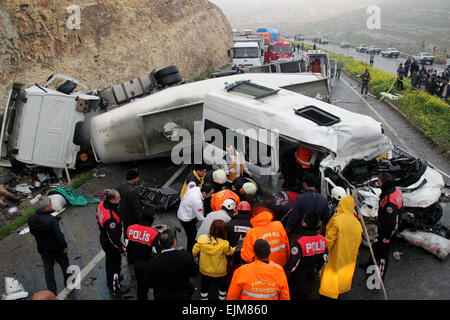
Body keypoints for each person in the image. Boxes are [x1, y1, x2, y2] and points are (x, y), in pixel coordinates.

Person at [360, 173, 403, 281]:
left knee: (383, 256)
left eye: (379, 182)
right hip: (383, 227)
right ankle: (370, 265)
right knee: (375, 247)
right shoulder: (395, 191)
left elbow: (393, 222)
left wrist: (387, 237)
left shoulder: (389, 203)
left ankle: (379, 277)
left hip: (387, 231)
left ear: (384, 184)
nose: (378, 183)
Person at [319, 196, 362, 300]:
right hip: (348, 258)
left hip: (335, 257)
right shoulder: (357, 223)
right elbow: (358, 242)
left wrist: (321, 253)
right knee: (340, 280)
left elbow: (328, 241)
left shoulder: (337, 220)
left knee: (329, 283)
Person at [28, 196, 70, 295]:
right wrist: (64, 246)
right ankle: (68, 281)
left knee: (48, 271)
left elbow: (32, 231)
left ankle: (51, 291)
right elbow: (59, 236)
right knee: (65, 265)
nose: (52, 205)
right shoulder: (51, 221)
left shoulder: (32, 218)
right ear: (46, 207)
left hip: (43, 249)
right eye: (50, 204)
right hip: (56, 249)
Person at [284, 212, 328, 300]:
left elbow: (292, 264)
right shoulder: (323, 240)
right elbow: (324, 260)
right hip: (312, 277)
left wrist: (285, 271)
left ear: (304, 223)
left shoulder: (300, 242)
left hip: (298, 279)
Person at [148, 228, 199, 300]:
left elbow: (151, 282)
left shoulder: (154, 261)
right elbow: (194, 273)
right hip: (183, 294)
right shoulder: (185, 256)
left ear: (160, 244)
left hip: (163, 296)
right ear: (174, 242)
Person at [193, 220, 236, 300]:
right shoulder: (224, 244)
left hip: (204, 270)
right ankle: (221, 298)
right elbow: (230, 252)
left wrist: (196, 259)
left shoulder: (201, 239)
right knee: (223, 286)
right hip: (220, 272)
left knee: (204, 286)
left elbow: (194, 251)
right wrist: (237, 246)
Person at [96, 189, 127, 295]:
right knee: (114, 264)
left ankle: (111, 279)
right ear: (113, 201)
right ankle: (116, 288)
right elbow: (113, 238)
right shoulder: (110, 218)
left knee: (109, 262)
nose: (120, 200)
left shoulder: (101, 204)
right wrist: (121, 249)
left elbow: (98, 217)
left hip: (103, 237)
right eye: (118, 199)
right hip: (110, 243)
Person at [125, 208, 161, 300]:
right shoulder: (154, 233)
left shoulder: (130, 229)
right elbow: (157, 252)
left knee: (141, 288)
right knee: (157, 287)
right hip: (149, 263)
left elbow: (126, 247)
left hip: (137, 264)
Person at [286, 174, 329, 244]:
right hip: (316, 235)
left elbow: (293, 219)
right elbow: (326, 221)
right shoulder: (324, 199)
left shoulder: (300, 199)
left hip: (300, 236)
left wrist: (286, 232)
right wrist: (321, 235)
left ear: (304, 184)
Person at [115, 168, 145, 259]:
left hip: (123, 216)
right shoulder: (132, 191)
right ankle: (134, 254)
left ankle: (128, 252)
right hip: (131, 218)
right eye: (137, 177)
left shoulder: (121, 186)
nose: (138, 179)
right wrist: (141, 220)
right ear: (133, 178)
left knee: (127, 235)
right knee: (134, 236)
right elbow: (136, 208)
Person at [177, 182, 214, 253]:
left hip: (183, 211)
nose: (211, 195)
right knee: (192, 237)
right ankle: (190, 252)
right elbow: (200, 217)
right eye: (210, 193)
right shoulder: (197, 202)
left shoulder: (196, 189)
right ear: (204, 193)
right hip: (186, 219)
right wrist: (209, 220)